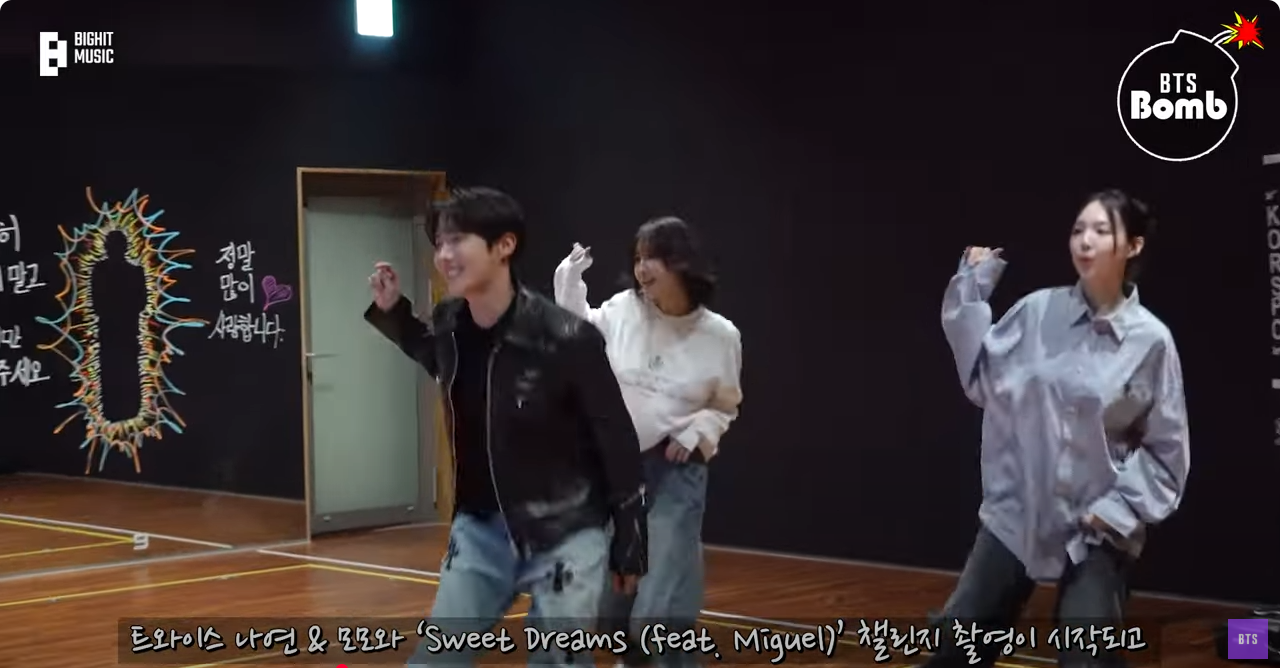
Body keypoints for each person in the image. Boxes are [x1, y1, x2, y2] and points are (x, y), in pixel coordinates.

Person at [364, 186, 649, 668]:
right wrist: (394, 313)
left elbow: (615, 438)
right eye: (439, 243)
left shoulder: (567, 337)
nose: (444, 255)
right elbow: (438, 359)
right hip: (479, 530)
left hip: (565, 531)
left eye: (458, 240)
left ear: (504, 246)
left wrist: (630, 540)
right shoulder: (451, 323)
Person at [926, 189, 1191, 668]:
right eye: (1078, 230)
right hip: (1016, 515)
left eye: (1101, 230)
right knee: (955, 653)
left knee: (1087, 658)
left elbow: (1167, 453)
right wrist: (971, 287)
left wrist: (1113, 510)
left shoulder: (1151, 342)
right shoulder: (1036, 312)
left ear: (1133, 246)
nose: (1085, 240)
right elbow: (983, 380)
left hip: (1096, 529)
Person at [553, 216, 743, 667]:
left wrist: (697, 432)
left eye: (653, 257)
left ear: (681, 262)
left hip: (676, 470)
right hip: (618, 469)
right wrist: (569, 283)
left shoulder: (720, 335)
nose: (642, 267)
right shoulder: (624, 309)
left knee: (660, 601)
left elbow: (725, 405)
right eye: (638, 257)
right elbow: (578, 333)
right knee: (610, 601)